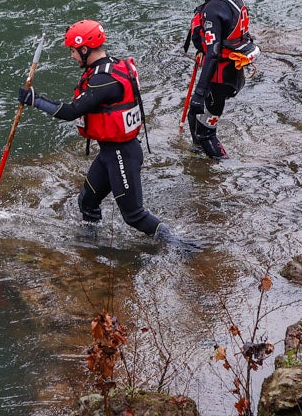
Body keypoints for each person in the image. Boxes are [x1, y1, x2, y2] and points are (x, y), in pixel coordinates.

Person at [19, 20, 199, 249]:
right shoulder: (112, 66)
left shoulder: (104, 80)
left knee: (133, 215)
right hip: (109, 151)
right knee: (87, 201)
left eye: (73, 51)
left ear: (85, 50)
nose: (71, 57)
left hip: (122, 153)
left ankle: (177, 244)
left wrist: (35, 100)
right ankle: (90, 245)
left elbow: (70, 112)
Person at [183, 0, 257, 158]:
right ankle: (198, 160)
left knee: (207, 132)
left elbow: (214, 52)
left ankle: (222, 167)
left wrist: (199, 92)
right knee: (194, 117)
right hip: (230, 73)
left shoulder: (214, 8)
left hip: (218, 78)